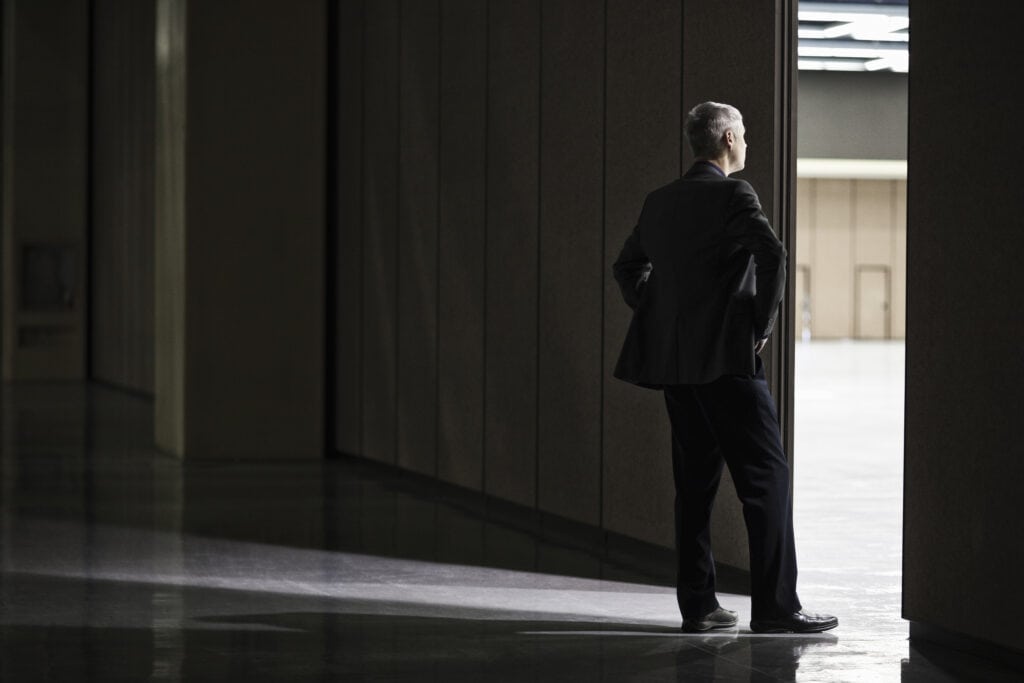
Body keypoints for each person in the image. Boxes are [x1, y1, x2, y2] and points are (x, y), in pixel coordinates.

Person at [611, 101, 837, 634]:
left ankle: (698, 606)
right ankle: (776, 608)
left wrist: (663, 316)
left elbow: (627, 267)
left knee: (694, 486)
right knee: (767, 479)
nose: (747, 143)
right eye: (745, 134)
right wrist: (758, 325)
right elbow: (774, 255)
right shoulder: (734, 194)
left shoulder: (660, 200)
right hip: (727, 363)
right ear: (729, 138)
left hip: (678, 368)